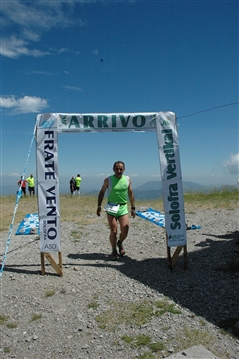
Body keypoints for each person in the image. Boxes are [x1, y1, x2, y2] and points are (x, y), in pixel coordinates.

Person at [96, 161, 135, 260]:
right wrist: (99, 206)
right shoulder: (108, 180)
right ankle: (114, 250)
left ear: (124, 169)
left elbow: (130, 193)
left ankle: (120, 243)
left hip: (123, 207)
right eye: (117, 168)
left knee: (125, 230)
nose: (119, 170)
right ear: (113, 169)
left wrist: (133, 207)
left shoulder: (127, 179)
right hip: (111, 207)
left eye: (121, 169)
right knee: (113, 231)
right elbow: (102, 192)